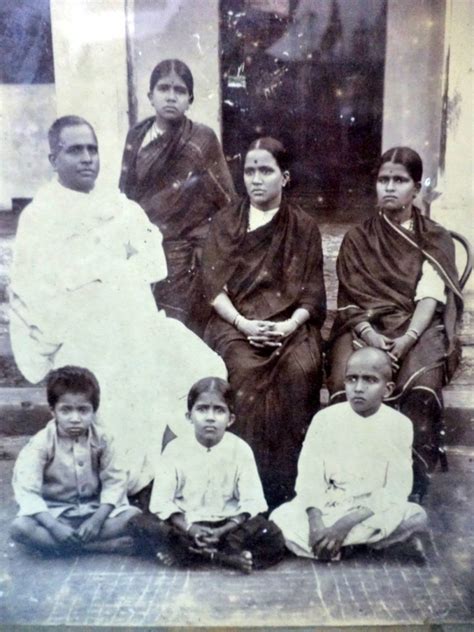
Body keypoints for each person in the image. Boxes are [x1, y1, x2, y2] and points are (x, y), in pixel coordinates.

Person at [9, 115, 226, 497]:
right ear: (53, 158)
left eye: (92, 149)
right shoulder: (40, 218)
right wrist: (93, 285)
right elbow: (35, 291)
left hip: (131, 320)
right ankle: (121, 481)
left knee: (197, 365)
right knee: (111, 375)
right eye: (75, 150)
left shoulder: (118, 206)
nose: (87, 158)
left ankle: (159, 475)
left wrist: (109, 276)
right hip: (76, 331)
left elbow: (151, 259)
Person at [326, 146, 463, 502]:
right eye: (383, 179)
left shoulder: (434, 237)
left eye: (399, 180)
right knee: (347, 386)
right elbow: (351, 299)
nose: (389, 187)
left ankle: (409, 485)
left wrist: (406, 340)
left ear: (416, 189)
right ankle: (349, 482)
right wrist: (371, 336)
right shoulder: (358, 238)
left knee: (421, 389)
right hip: (363, 327)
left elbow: (430, 297)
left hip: (415, 327)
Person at [201, 137, 326, 509]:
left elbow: (313, 295)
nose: (256, 179)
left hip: (289, 326)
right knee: (241, 369)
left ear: (284, 177)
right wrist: (244, 324)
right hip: (236, 323)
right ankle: (242, 488)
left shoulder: (303, 226)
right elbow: (212, 289)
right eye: (249, 171)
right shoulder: (226, 222)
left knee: (300, 370)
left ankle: (288, 491)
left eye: (266, 171)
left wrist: (289, 326)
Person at [271, 347, 428, 563]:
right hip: (330, 504)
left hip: (370, 509)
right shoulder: (325, 419)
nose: (358, 388)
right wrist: (317, 524)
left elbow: (396, 489)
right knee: (280, 519)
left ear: (388, 389)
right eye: (352, 379)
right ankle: (361, 547)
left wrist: (342, 527)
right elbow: (310, 477)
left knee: (415, 515)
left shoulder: (399, 425)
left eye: (369, 380)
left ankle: (332, 547)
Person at [119, 59, 236, 334]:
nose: (171, 96)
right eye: (163, 88)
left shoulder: (201, 139)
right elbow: (126, 193)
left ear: (190, 99)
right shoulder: (136, 136)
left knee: (174, 330)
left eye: (180, 90)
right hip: (139, 243)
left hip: (182, 250)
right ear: (150, 96)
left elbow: (227, 200)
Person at [129, 377, 285, 573]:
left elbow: (252, 502)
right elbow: (161, 502)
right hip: (186, 525)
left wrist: (223, 530)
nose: (210, 417)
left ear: (231, 419)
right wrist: (190, 529)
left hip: (228, 528)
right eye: (202, 409)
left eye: (219, 410)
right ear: (189, 416)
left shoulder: (240, 450)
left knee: (273, 535)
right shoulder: (175, 449)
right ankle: (225, 558)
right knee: (140, 523)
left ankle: (194, 555)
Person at [10, 366, 140, 554]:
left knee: (134, 516)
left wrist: (97, 520)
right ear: (53, 411)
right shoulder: (40, 444)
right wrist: (54, 527)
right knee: (20, 528)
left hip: (95, 512)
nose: (75, 418)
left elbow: (115, 481)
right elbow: (27, 491)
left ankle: (68, 546)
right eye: (66, 410)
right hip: (56, 514)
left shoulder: (104, 439)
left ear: (94, 410)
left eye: (83, 410)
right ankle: (94, 547)